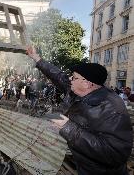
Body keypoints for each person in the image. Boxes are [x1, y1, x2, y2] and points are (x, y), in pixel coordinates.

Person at [27, 46, 133, 175]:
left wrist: (68, 128)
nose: (69, 80)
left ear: (87, 83)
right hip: (81, 164)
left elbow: (115, 154)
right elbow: (58, 76)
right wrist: (37, 58)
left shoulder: (111, 107)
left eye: (74, 77)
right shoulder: (77, 90)